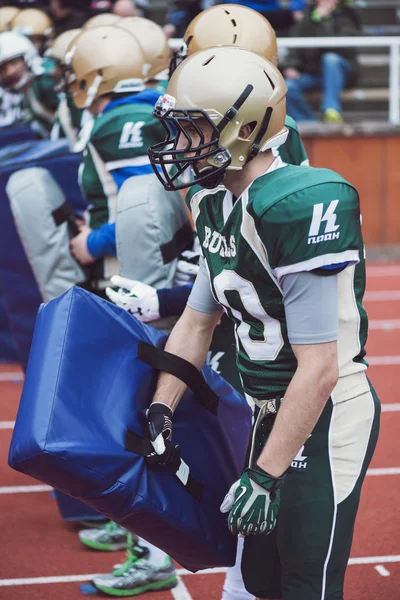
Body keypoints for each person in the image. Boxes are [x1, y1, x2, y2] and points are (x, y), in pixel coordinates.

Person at [144, 46, 380, 600]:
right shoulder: (213, 203)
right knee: (259, 581)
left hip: (323, 417)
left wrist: (266, 474)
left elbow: (319, 368)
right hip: (264, 412)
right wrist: (162, 407)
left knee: (305, 586)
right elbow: (199, 321)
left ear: (242, 129)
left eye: (191, 129)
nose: (178, 146)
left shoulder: (296, 203)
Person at [283, 0, 361, 123]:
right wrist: (290, 66)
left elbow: (341, 47)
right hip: (313, 74)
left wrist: (323, 21)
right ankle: (309, 123)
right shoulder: (307, 17)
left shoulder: (347, 15)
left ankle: (331, 109)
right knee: (287, 86)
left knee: (330, 59)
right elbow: (296, 44)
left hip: (340, 72)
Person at [0, 30, 58, 136]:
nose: (10, 72)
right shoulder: (19, 92)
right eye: (2, 68)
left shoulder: (45, 83)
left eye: (13, 62)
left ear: (27, 58)